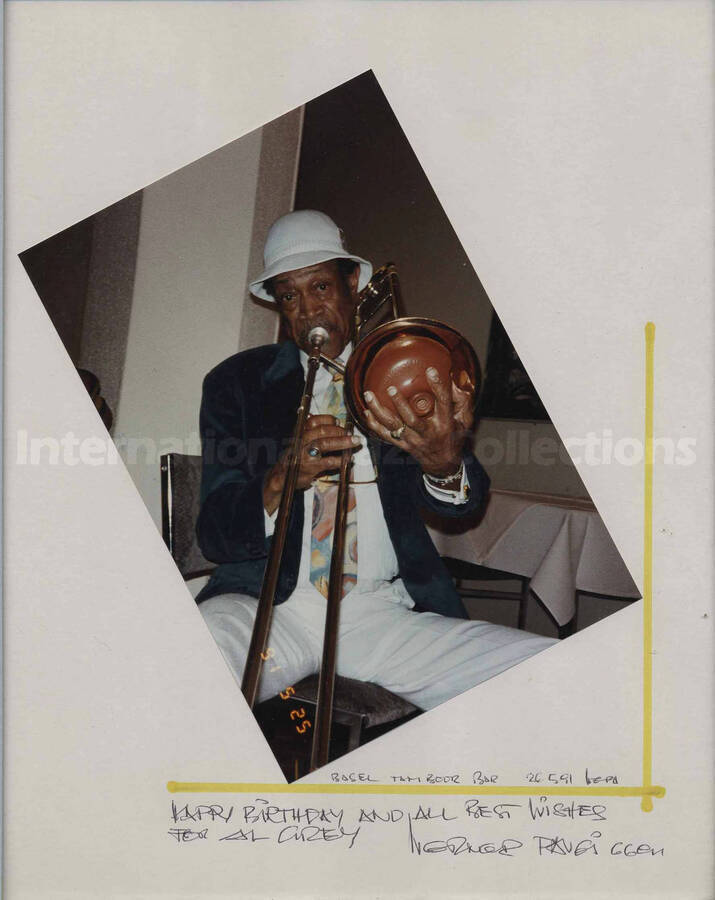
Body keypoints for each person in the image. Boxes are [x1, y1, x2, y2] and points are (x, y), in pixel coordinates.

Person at [196, 210, 556, 712]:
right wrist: (280, 478)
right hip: (269, 606)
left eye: (320, 287)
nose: (306, 311)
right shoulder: (235, 383)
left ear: (354, 284)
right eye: (289, 296)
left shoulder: (404, 373)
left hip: (380, 615)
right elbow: (213, 532)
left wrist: (444, 462)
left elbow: (461, 512)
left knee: (550, 675)